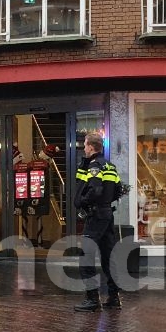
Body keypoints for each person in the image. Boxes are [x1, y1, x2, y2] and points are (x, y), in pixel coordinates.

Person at [73, 131, 123, 312]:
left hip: (95, 217)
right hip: (107, 215)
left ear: (91, 147)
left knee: (85, 255)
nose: (84, 148)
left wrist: (83, 202)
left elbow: (94, 189)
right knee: (108, 256)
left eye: (85, 145)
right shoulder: (109, 166)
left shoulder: (95, 166)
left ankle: (92, 298)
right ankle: (113, 296)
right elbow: (118, 189)